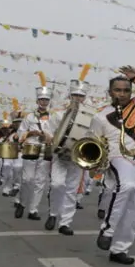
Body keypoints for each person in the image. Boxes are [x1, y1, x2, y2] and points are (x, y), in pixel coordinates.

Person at [89, 66, 135, 264]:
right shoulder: (100, 116)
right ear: (110, 92)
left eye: (126, 90)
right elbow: (93, 143)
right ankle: (108, 229)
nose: (122, 94)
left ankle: (120, 249)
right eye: (117, 90)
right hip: (118, 158)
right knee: (126, 185)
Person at [46, 64, 92, 235]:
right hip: (60, 155)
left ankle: (65, 222)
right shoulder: (58, 114)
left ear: (84, 98)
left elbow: (93, 135)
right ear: (70, 96)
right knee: (57, 184)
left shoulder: (89, 117)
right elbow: (50, 132)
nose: (77, 98)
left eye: (80, 96)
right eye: (75, 95)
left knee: (72, 189)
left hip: (77, 156)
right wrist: (50, 137)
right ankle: (53, 213)